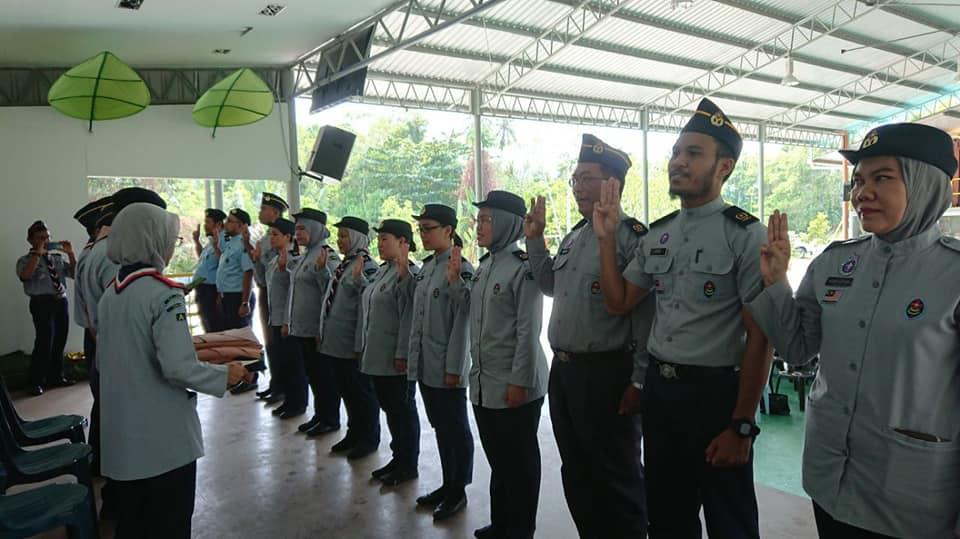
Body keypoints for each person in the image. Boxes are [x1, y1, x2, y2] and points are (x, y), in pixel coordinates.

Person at [748, 122, 960, 539]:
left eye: (882, 178)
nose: (862, 192)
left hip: (913, 494)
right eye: (859, 180)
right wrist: (776, 284)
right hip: (833, 477)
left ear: (924, 184)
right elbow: (797, 349)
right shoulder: (834, 264)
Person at [593, 98, 772, 539]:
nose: (678, 162)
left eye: (693, 153)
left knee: (729, 518)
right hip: (662, 393)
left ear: (724, 166)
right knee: (668, 515)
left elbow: (760, 337)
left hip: (715, 396)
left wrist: (742, 424)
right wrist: (606, 237)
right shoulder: (660, 233)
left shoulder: (745, 234)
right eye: (676, 152)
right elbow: (618, 302)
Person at [97, 202, 252, 538]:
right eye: (170, 239)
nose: (171, 246)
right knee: (169, 523)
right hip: (162, 442)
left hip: (123, 438)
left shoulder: (111, 294)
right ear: (151, 240)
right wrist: (226, 376)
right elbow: (178, 368)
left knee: (134, 524)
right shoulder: (163, 293)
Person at [525, 134, 652, 538]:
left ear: (613, 184)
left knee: (618, 476)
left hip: (608, 375)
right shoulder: (574, 236)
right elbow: (548, 284)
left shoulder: (633, 237)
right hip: (565, 375)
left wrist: (638, 380)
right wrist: (534, 239)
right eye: (575, 179)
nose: (578, 187)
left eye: (588, 178)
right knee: (577, 471)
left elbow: (647, 316)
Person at [455, 191, 549, 539]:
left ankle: (521, 530)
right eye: (478, 219)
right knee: (500, 462)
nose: (478, 226)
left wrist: (519, 382)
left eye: (487, 219)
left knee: (520, 465)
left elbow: (528, 330)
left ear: (508, 223)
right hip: (484, 384)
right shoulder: (484, 267)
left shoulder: (524, 268)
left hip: (515, 384)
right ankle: (502, 524)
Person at [74, 186, 167, 518]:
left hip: (98, 340)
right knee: (127, 427)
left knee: (109, 414)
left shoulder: (91, 251)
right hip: (114, 346)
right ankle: (122, 499)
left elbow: (89, 315)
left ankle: (113, 487)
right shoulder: (116, 258)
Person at [407, 204, 475, 521]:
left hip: (447, 368)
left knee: (455, 428)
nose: (423, 234)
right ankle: (447, 485)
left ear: (448, 231)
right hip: (427, 365)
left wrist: (455, 368)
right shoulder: (428, 266)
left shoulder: (460, 267)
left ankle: (457, 490)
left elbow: (464, 322)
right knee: (441, 428)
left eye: (428, 228)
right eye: (420, 228)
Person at [360, 219, 420, 487]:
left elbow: (409, 318)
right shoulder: (383, 272)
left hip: (396, 359)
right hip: (377, 356)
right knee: (392, 411)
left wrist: (402, 354)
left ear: (403, 243)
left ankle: (408, 464)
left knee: (402, 411)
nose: (379, 243)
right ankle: (398, 458)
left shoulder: (408, 274)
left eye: (385, 238)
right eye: (379, 238)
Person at [320, 216, 381, 460]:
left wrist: (360, 345)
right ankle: (353, 433)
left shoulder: (367, 266)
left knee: (362, 394)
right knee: (347, 392)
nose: (340, 240)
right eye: (339, 236)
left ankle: (368, 438)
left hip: (352, 344)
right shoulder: (344, 264)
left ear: (357, 237)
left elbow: (367, 308)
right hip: (336, 343)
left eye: (345, 235)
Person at [285, 208, 341, 431]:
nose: (297, 234)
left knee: (324, 377)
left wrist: (322, 327)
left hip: (316, 331)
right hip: (302, 329)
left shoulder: (327, 255)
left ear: (316, 230)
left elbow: (332, 293)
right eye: (296, 229)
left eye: (302, 229)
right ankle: (320, 415)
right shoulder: (306, 254)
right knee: (314, 376)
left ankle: (330, 419)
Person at [16, 220, 76, 396]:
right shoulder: (25, 260)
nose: (46, 240)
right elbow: (25, 276)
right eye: (41, 238)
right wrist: (37, 254)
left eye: (48, 237)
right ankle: (36, 381)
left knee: (60, 340)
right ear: (31, 240)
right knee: (44, 341)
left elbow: (74, 274)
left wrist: (71, 254)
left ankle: (55, 376)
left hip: (60, 300)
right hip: (41, 303)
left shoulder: (56, 258)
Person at [246, 192, 288, 400]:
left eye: (264, 209)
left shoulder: (286, 235)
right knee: (270, 341)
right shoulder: (264, 239)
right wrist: (255, 259)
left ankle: (285, 387)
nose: (260, 212)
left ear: (275, 212)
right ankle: (276, 383)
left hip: (280, 295)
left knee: (282, 345)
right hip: (266, 292)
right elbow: (262, 276)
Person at [263, 217, 299, 419]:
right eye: (270, 234)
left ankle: (296, 403)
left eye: (276, 234)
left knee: (293, 365)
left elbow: (292, 294)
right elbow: (263, 282)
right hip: (274, 319)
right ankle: (288, 400)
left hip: (287, 321)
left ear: (288, 237)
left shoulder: (294, 260)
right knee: (282, 363)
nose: (271, 238)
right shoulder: (274, 259)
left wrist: (287, 321)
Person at [216, 208, 256, 333]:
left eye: (229, 221)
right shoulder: (230, 242)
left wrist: (245, 302)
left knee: (240, 336)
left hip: (238, 297)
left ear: (241, 226)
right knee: (229, 336)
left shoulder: (243, 244)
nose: (226, 223)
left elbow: (248, 273)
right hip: (227, 296)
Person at [191, 208, 226, 333]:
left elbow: (224, 265)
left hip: (212, 290)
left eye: (208, 222)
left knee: (214, 327)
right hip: (203, 289)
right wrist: (197, 241)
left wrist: (219, 294)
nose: (205, 226)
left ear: (218, 224)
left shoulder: (223, 242)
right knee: (207, 326)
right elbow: (203, 259)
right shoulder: (212, 241)